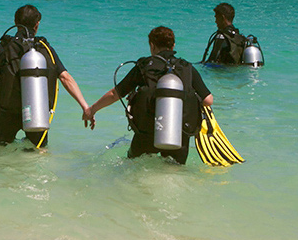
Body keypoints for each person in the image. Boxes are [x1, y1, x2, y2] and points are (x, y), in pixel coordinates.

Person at [84, 26, 213, 164]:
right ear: (173, 45)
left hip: (146, 133)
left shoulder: (144, 66)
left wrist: (91, 110)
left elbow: (115, 94)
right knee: (173, 173)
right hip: (179, 135)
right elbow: (208, 100)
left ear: (152, 45)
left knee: (133, 167)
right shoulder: (187, 67)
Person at [0, 4, 89, 148]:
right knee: (39, 153)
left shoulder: (3, 46)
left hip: (7, 112)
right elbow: (65, 78)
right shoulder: (44, 48)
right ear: (37, 25)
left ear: (15, 22)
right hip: (37, 113)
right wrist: (85, 106)